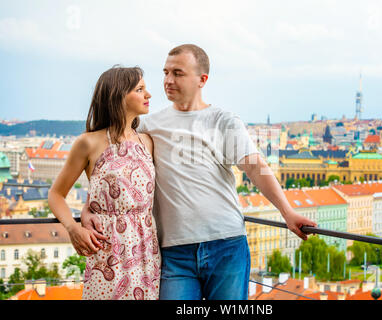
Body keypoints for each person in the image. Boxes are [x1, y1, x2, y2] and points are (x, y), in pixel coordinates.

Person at [82, 44, 317, 300]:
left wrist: (287, 212)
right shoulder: (148, 126)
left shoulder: (223, 121)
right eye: (165, 72)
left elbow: (255, 167)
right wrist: (89, 208)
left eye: (178, 73)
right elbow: (113, 168)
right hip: (174, 251)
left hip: (226, 244)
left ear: (202, 79)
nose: (168, 80)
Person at [48, 66, 161, 300]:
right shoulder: (88, 143)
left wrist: (87, 206)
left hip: (146, 251)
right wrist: (74, 228)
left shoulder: (147, 142)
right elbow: (56, 194)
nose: (148, 95)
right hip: (107, 252)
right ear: (118, 96)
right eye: (140, 89)